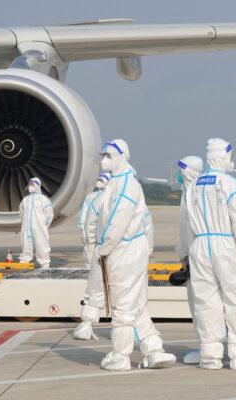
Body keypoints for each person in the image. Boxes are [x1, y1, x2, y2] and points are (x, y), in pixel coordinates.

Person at [96, 139, 176, 371]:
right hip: (128, 250)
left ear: (122, 156)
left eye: (109, 155)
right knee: (136, 304)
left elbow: (117, 221)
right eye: (104, 155)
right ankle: (153, 348)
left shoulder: (127, 186)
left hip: (124, 250)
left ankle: (120, 355)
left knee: (122, 305)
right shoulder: (116, 183)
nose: (105, 160)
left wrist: (104, 247)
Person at [185, 138, 236, 371]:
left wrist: (189, 250)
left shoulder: (193, 185)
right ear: (224, 156)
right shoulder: (232, 184)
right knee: (235, 300)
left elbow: (186, 223)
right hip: (226, 245)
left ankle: (210, 355)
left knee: (206, 302)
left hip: (199, 245)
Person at [169, 156, 204, 364]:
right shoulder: (190, 193)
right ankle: (208, 345)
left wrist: (184, 254)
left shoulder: (192, 194)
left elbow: (187, 230)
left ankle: (207, 347)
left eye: (181, 171)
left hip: (196, 254)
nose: (178, 175)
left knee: (200, 304)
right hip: (199, 253)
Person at [73, 173, 110, 340]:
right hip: (109, 247)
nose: (99, 182)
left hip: (104, 247)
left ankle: (87, 324)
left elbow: (91, 222)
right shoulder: (94, 198)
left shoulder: (102, 199)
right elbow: (86, 218)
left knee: (97, 287)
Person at [78, 173, 111, 270]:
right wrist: (83, 229)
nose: (98, 182)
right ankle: (89, 268)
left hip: (104, 229)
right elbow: (84, 213)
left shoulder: (110, 197)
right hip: (91, 229)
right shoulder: (90, 196)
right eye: (99, 180)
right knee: (90, 249)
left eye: (102, 181)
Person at [19, 177, 53, 268]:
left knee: (42, 245)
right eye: (30, 185)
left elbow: (49, 214)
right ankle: (24, 261)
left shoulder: (44, 200)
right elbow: (21, 214)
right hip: (27, 228)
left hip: (39, 227)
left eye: (32, 185)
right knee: (26, 245)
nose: (30, 186)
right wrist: (24, 223)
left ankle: (45, 263)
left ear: (38, 186)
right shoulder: (25, 200)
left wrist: (44, 225)